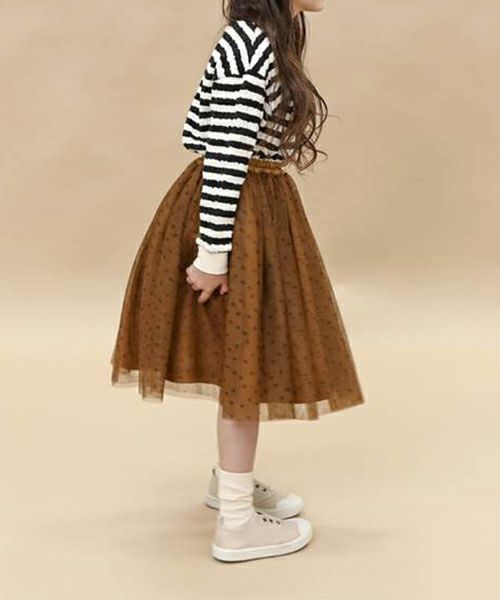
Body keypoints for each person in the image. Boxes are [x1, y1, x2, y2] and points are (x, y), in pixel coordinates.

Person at [110, 0, 365, 562]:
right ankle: (236, 522)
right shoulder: (248, 43)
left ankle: (231, 483)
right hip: (235, 215)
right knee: (243, 362)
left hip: (256, 208)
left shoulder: (264, 39)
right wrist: (213, 252)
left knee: (243, 357)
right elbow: (225, 150)